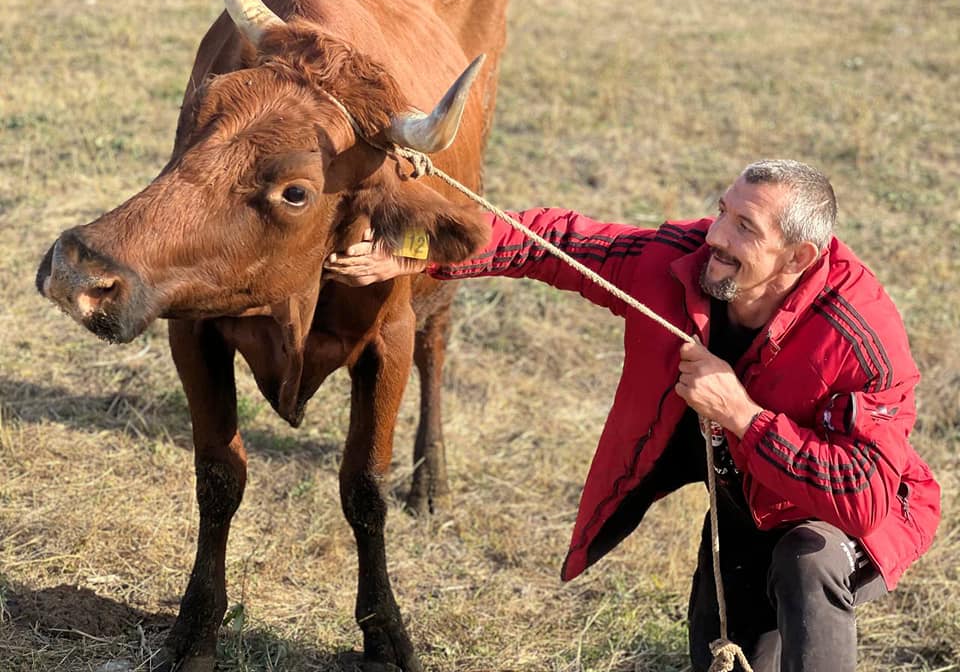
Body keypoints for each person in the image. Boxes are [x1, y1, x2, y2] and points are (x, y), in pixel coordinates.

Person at [323, 159, 940, 672]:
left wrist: (743, 415)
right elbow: (551, 241)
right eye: (722, 210)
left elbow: (863, 498)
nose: (718, 236)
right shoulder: (682, 264)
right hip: (745, 504)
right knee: (728, 654)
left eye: (745, 227)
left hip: (852, 519)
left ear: (798, 257)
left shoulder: (862, 338)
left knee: (806, 561)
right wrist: (414, 250)